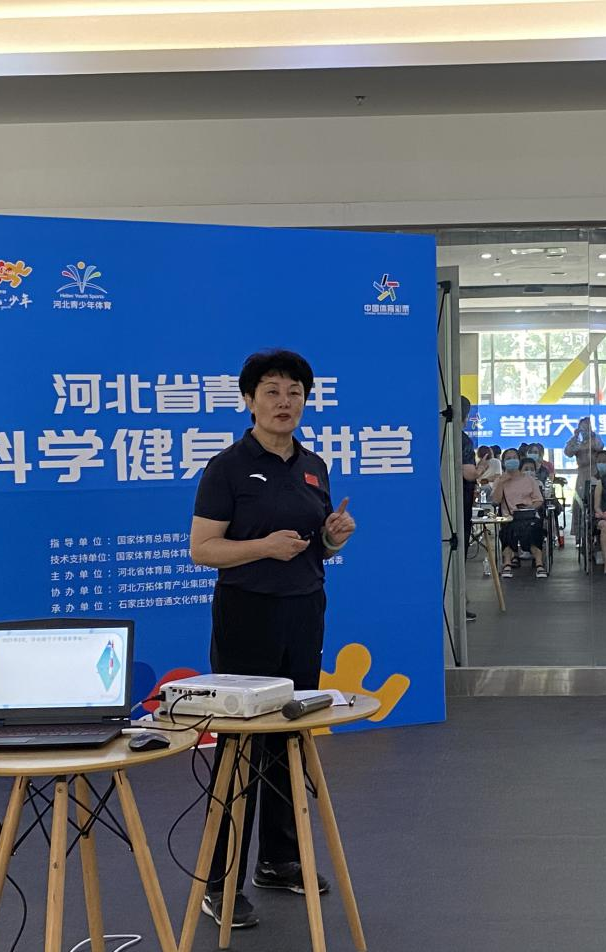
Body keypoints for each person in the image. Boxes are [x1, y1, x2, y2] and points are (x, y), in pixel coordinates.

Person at [190, 349, 357, 930]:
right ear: (249, 400)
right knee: (240, 748)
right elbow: (202, 549)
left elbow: (315, 550)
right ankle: (220, 882)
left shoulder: (313, 465)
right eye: (272, 391)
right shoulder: (227, 467)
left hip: (304, 612)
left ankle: (280, 859)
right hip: (247, 616)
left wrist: (332, 538)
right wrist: (263, 547)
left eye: (294, 393)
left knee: (290, 738)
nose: (284, 402)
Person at [493, 449, 548, 579]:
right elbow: (496, 500)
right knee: (507, 531)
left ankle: (539, 563)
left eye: (514, 458)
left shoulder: (529, 480)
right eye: (508, 458)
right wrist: (501, 483)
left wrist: (530, 507)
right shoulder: (500, 480)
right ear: (503, 462)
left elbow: (539, 500)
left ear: (518, 460)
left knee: (534, 530)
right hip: (509, 517)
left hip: (528, 516)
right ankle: (507, 563)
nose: (511, 460)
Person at [565, 417, 604, 543]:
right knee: (580, 502)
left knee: (596, 500)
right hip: (582, 474)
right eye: (583, 427)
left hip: (595, 472)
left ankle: (596, 533)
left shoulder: (595, 439)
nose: (586, 429)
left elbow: (600, 447)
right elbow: (568, 452)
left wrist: (593, 436)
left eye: (588, 426)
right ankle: (579, 534)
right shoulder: (577, 441)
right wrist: (575, 437)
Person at [459, 397, 479, 622]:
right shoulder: (463, 440)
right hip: (457, 508)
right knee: (456, 559)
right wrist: (479, 469)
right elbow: (468, 473)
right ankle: (457, 607)